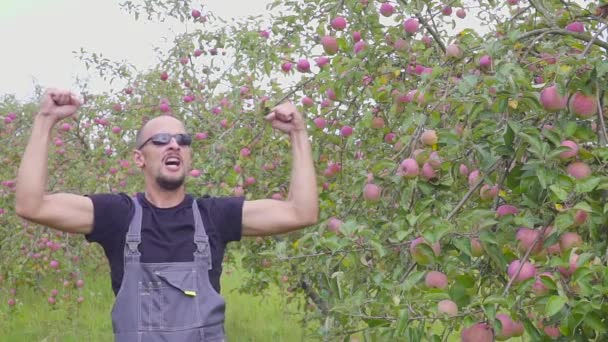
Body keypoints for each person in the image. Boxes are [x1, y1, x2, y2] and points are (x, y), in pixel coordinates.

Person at [15, 88, 319, 341]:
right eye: (160, 139)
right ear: (139, 158)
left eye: (182, 141)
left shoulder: (214, 215)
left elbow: (301, 212)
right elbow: (32, 205)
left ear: (188, 156)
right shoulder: (117, 216)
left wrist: (298, 133)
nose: (173, 144)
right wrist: (45, 120)